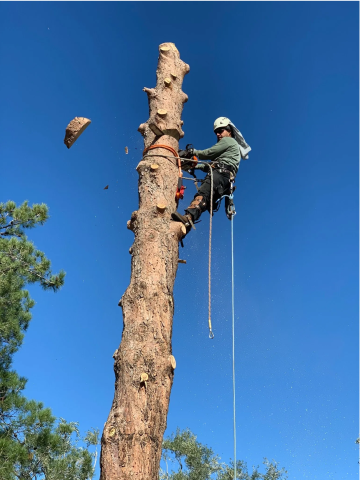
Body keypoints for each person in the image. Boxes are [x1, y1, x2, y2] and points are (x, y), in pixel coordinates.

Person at [171, 117, 251, 233]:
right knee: (204, 201)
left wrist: (192, 152)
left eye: (221, 131)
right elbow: (209, 165)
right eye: (216, 132)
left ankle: (188, 218)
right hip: (223, 178)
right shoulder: (226, 153)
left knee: (202, 195)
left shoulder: (229, 141)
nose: (218, 134)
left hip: (220, 174)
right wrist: (193, 166)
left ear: (229, 131)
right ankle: (185, 227)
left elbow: (208, 153)